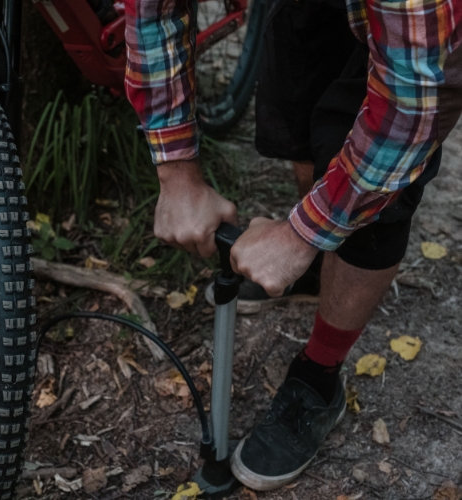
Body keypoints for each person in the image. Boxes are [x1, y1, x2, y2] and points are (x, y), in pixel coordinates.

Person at [124, 0, 462, 491]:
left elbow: (408, 114)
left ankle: (319, 377)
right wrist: (176, 169)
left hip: (423, 36)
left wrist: (302, 232)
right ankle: (314, 265)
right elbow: (151, 10)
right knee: (300, 115)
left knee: (375, 200)